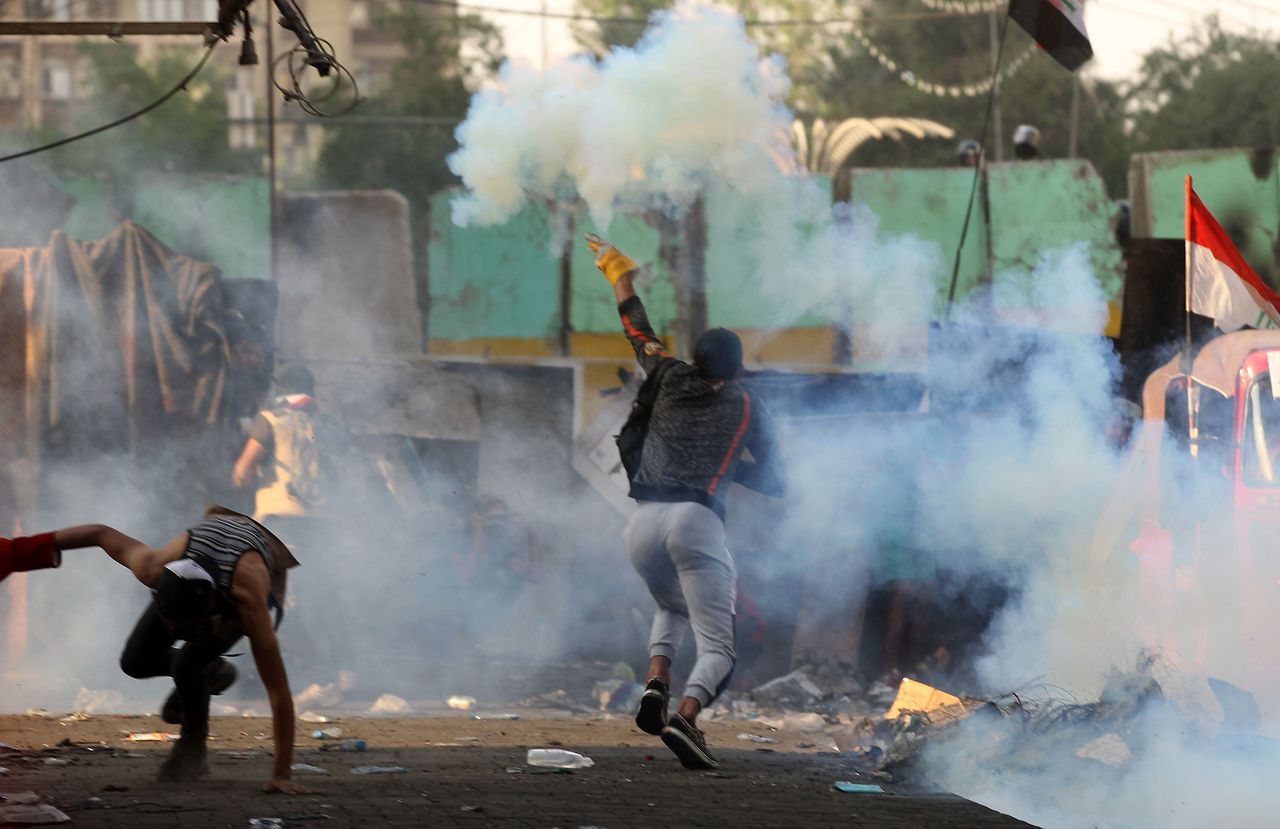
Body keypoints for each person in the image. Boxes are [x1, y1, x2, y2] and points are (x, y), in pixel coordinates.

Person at [587, 233, 786, 770]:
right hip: (696, 522)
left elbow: (638, 328)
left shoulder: (666, 371)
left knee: (670, 605)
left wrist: (616, 270)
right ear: (737, 369)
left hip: (642, 524)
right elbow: (776, 479)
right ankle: (686, 718)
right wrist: (733, 465)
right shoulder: (749, 403)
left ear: (696, 359)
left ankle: (656, 683)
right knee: (720, 645)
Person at [5, 508, 311, 793]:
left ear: (210, 613)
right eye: (173, 627)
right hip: (200, 564)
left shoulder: (248, 603)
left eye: (189, 630)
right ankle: (212, 672)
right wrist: (14, 553)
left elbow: (278, 692)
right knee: (136, 662)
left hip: (253, 559)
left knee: (188, 664)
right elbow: (98, 533)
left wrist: (282, 774)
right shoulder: (155, 567)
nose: (180, 636)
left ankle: (193, 747)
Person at [232, 365, 325, 524]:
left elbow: (241, 473)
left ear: (281, 391)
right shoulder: (326, 425)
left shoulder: (270, 419)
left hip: (276, 515)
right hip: (320, 519)